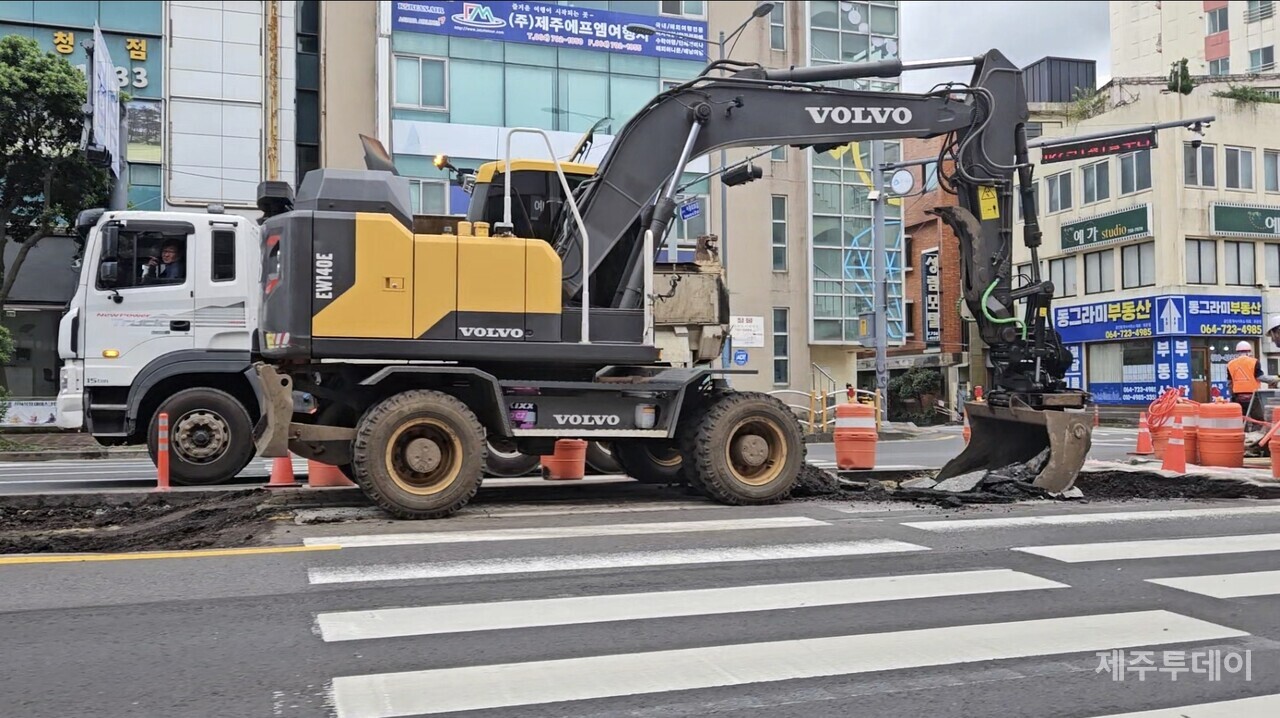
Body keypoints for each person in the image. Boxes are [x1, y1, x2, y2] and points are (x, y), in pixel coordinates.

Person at [1226, 340, 1276, 419]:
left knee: (1241, 418)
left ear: (1237, 352)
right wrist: (1274, 379)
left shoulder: (1230, 364)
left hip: (1238, 396)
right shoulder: (1254, 362)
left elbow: (1229, 382)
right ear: (1248, 351)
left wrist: (1231, 396)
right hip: (1253, 395)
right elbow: (1260, 377)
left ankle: (1243, 430)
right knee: (1257, 419)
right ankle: (1255, 430)